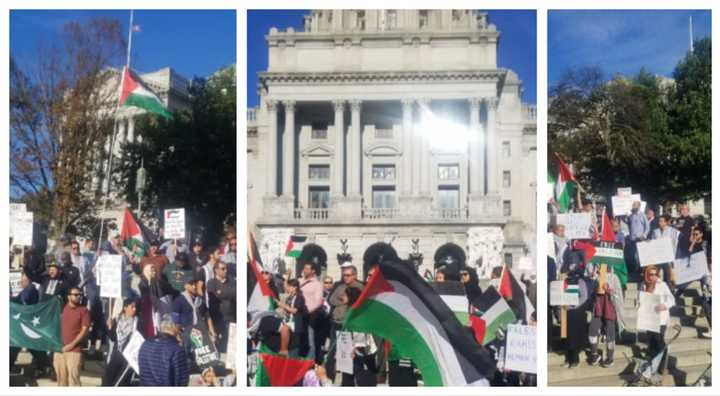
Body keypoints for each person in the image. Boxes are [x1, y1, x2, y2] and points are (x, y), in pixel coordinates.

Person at [640, 266, 675, 375]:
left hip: (661, 319)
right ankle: (654, 364)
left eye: (655, 274)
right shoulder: (643, 285)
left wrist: (664, 305)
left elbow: (672, 300)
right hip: (649, 318)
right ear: (646, 274)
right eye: (651, 274)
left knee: (659, 341)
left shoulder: (662, 284)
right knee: (652, 342)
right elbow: (640, 300)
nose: (653, 276)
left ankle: (663, 365)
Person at [339, 287, 378, 386]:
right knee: (348, 378)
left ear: (351, 297)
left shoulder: (357, 312)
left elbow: (360, 332)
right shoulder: (351, 310)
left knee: (360, 378)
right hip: (349, 348)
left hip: (358, 351)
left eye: (344, 295)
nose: (341, 297)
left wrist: (355, 347)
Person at [588, 264, 624, 368]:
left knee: (610, 333)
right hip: (598, 308)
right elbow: (590, 294)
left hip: (609, 308)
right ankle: (594, 354)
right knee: (592, 330)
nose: (599, 267)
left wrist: (609, 290)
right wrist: (592, 281)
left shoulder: (614, 277)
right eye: (598, 265)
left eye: (602, 265)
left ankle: (610, 357)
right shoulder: (595, 276)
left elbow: (619, 296)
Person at [138, 314, 189, 386]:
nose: (180, 332)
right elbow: (182, 382)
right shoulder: (177, 350)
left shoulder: (145, 345)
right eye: (180, 329)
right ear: (175, 327)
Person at [54, 287, 90, 386]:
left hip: (74, 351)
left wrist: (71, 345)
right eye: (76, 295)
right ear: (69, 296)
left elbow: (84, 330)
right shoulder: (61, 309)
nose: (78, 297)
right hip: (59, 350)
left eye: (80, 295)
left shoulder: (84, 310)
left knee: (74, 380)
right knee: (61, 381)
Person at [102, 298, 139, 386]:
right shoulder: (117, 319)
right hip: (116, 355)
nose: (134, 309)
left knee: (122, 383)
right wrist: (110, 328)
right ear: (125, 308)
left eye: (135, 307)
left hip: (127, 358)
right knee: (109, 380)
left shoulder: (137, 321)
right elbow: (113, 338)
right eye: (132, 307)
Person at [138, 264, 176, 338]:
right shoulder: (142, 284)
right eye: (152, 271)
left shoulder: (159, 282)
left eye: (155, 270)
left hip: (160, 311)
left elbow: (172, 291)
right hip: (148, 313)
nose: (154, 272)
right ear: (147, 272)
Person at [207, 261, 236, 353]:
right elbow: (216, 296)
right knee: (220, 343)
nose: (226, 271)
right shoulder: (211, 282)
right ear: (216, 270)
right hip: (218, 319)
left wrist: (222, 293)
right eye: (223, 269)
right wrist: (227, 293)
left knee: (231, 343)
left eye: (226, 268)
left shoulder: (232, 281)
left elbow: (235, 294)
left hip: (232, 317)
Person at [275, 278, 308, 357]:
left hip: (295, 322)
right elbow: (286, 308)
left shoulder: (299, 297)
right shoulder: (290, 296)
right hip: (287, 319)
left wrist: (284, 306)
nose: (287, 288)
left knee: (285, 329)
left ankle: (284, 350)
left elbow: (295, 311)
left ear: (294, 287)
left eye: (289, 286)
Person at [299, 262, 323, 360]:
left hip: (310, 315)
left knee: (310, 339)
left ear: (313, 271)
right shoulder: (299, 281)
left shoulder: (317, 284)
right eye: (304, 268)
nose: (305, 270)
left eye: (307, 268)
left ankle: (310, 363)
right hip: (298, 314)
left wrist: (306, 312)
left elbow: (318, 302)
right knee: (300, 339)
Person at [652, 214, 680, 285]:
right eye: (659, 221)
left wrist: (673, 257)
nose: (659, 223)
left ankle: (669, 292)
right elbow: (652, 243)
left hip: (668, 258)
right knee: (657, 275)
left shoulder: (672, 231)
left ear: (666, 222)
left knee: (668, 277)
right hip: (658, 258)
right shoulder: (655, 231)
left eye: (661, 221)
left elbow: (675, 244)